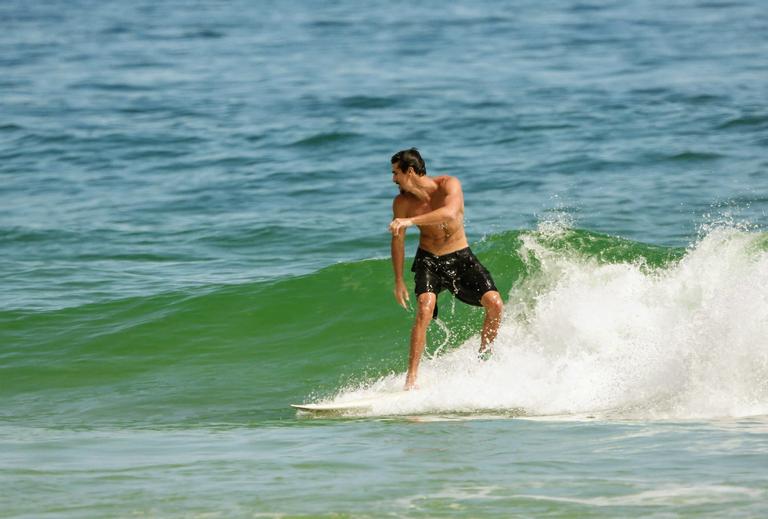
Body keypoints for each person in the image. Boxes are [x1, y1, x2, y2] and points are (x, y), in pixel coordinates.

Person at [388, 148, 503, 390]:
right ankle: (411, 381)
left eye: (396, 173)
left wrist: (410, 221)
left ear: (410, 172)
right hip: (429, 260)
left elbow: (449, 213)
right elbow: (397, 240)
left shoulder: (449, 185)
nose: (393, 179)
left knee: (495, 304)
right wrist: (398, 280)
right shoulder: (402, 203)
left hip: (461, 256)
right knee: (424, 308)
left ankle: (484, 361)